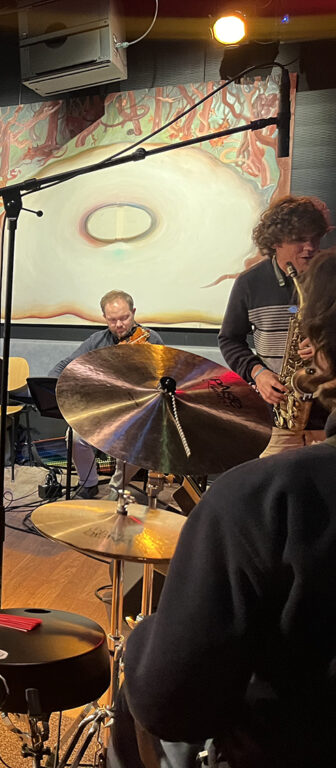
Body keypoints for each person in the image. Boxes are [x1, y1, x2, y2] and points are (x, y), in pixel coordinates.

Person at [110, 247, 336, 768]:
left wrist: (144, 640)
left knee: (141, 691)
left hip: (287, 747)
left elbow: (174, 707)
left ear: (316, 350)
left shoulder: (263, 499)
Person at [219, 195, 331, 457]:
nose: (310, 247)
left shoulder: (330, 278)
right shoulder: (249, 283)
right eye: (299, 239)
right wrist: (257, 373)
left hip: (328, 415)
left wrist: (326, 347)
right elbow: (229, 339)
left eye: (315, 238)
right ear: (276, 241)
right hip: (279, 416)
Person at [49, 290, 163, 499]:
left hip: (136, 412)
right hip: (104, 410)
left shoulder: (151, 338)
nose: (119, 325)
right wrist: (51, 382)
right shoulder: (97, 340)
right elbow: (68, 363)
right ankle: (88, 482)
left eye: (124, 318)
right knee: (74, 437)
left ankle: (116, 487)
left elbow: (163, 375)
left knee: (141, 442)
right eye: (112, 320)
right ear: (105, 318)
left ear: (133, 312)